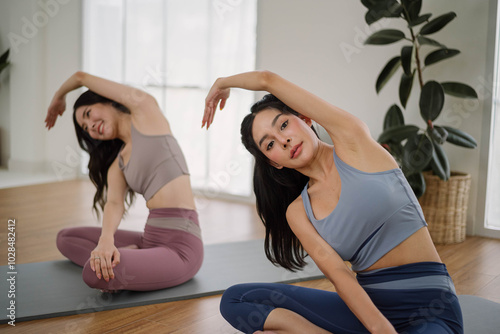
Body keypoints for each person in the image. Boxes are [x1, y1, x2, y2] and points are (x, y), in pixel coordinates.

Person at [202, 70, 463, 333]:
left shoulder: (354, 142)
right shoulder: (299, 212)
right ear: (274, 163)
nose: (283, 141)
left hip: (431, 307)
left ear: (304, 118)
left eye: (283, 125)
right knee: (236, 299)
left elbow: (268, 80)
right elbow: (340, 274)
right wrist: (380, 328)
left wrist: (224, 83)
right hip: (367, 312)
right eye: (269, 145)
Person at [46, 71, 203, 292]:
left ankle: (125, 260)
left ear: (107, 100)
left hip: (181, 250)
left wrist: (59, 96)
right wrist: (105, 242)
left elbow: (80, 77)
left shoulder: (146, 113)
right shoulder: (117, 165)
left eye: (89, 114)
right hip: (149, 239)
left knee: (93, 273)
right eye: (85, 127)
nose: (90, 126)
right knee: (66, 238)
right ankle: (130, 255)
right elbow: (114, 204)